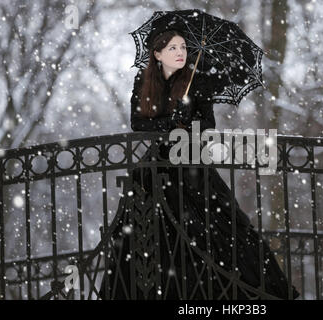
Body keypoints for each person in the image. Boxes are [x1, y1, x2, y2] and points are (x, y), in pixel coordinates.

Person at [99, 29, 299, 300]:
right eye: (172, 48)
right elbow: (139, 122)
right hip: (155, 168)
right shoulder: (144, 81)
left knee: (215, 228)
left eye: (183, 47)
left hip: (189, 160)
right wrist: (168, 122)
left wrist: (186, 122)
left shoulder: (199, 82)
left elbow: (208, 125)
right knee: (149, 233)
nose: (180, 52)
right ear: (157, 54)